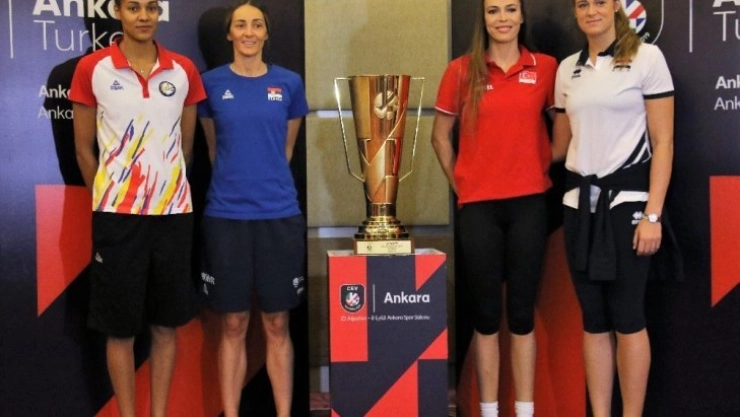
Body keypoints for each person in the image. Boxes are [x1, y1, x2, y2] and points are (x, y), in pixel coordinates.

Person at [69, 0, 205, 416]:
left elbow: (185, 148)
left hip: (173, 216)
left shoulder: (183, 70)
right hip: (117, 218)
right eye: (133, 7)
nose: (143, 16)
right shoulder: (92, 69)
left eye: (150, 7)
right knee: (120, 329)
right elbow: (83, 151)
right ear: (118, 12)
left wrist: (164, 189)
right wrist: (110, 196)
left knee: (165, 326)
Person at [431, 1, 556, 416]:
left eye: (510, 9)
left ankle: (525, 411)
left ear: (522, 17)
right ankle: (488, 411)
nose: (502, 18)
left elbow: (564, 128)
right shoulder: (461, 70)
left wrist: (539, 162)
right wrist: (463, 184)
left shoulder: (546, 67)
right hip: (479, 209)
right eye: (493, 11)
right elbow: (439, 137)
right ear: (483, 19)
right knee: (485, 317)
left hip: (529, 205)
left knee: (521, 316)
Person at [551, 0, 675, 416]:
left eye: (600, 2)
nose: (591, 11)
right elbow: (559, 146)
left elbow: (663, 142)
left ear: (616, 8)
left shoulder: (647, 57)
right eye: (582, 4)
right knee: (593, 319)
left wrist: (653, 215)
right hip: (578, 206)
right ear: (575, 12)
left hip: (629, 206)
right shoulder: (567, 69)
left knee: (628, 315)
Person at [196, 2, 309, 416]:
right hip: (226, 218)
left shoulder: (289, 83)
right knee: (232, 324)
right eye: (240, 25)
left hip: (278, 215)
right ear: (229, 34)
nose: (248, 32)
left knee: (277, 323)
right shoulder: (210, 84)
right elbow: (213, 149)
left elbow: (286, 149)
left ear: (265, 33)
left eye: (256, 25)